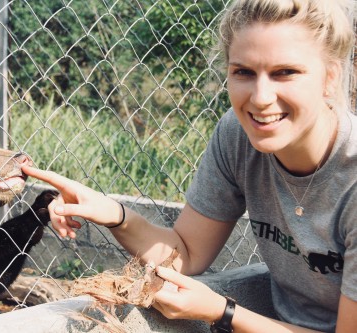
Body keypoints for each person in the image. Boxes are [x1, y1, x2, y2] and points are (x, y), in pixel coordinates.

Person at [21, 0, 356, 332]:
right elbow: (188, 252)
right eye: (244, 72)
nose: (261, 97)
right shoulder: (238, 137)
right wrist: (114, 214)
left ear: (329, 77)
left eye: (285, 73)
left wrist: (222, 312)